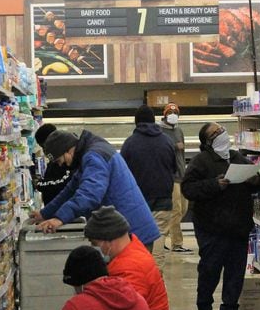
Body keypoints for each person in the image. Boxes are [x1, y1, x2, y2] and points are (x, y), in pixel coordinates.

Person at [181, 122, 260, 310]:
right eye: (216, 132)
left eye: (222, 129)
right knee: (210, 271)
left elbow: (257, 180)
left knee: (235, 273)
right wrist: (214, 185)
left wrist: (254, 179)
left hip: (238, 227)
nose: (222, 133)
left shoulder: (236, 157)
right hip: (212, 228)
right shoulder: (201, 161)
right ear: (207, 141)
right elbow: (188, 189)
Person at [33, 129, 161, 250]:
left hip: (131, 233)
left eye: (60, 160)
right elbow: (70, 190)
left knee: (130, 272)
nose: (61, 164)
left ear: (68, 150)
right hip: (124, 230)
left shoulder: (94, 156)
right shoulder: (88, 155)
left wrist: (60, 219)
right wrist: (45, 213)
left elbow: (90, 194)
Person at [121, 105, 175, 248]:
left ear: (136, 122)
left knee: (139, 241)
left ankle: (142, 269)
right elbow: (174, 168)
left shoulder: (129, 143)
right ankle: (156, 270)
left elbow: (122, 174)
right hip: (164, 197)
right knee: (159, 237)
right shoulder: (167, 141)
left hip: (138, 200)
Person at [158, 103, 191, 253]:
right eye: (170, 112)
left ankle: (162, 238)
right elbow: (159, 150)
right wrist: (174, 146)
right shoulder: (159, 131)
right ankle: (176, 243)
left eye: (175, 112)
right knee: (176, 210)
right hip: (170, 176)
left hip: (181, 175)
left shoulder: (179, 130)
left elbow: (182, 154)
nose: (173, 115)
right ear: (164, 115)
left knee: (183, 208)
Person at [33, 123, 72, 204]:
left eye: (44, 146)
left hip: (61, 209)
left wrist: (39, 184)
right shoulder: (55, 157)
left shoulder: (65, 159)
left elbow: (62, 183)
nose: (45, 151)